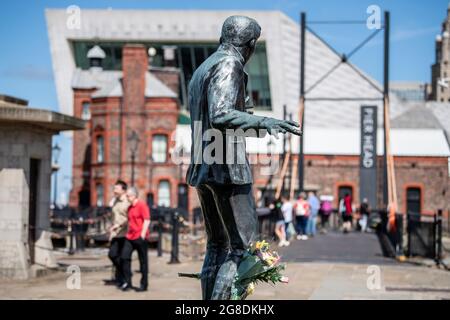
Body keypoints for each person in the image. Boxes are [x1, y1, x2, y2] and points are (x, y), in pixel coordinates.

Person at [185, 15, 301, 300]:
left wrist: (247, 117)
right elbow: (221, 114)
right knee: (242, 248)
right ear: (250, 44)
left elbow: (217, 115)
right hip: (227, 169)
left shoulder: (203, 68)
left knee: (216, 246)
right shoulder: (229, 64)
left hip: (203, 167)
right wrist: (265, 122)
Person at [120, 187, 151, 292]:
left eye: (128, 196)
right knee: (124, 258)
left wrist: (142, 234)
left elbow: (147, 220)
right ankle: (128, 282)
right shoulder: (129, 207)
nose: (126, 197)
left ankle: (144, 285)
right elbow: (129, 221)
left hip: (140, 237)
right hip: (130, 237)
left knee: (143, 262)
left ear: (133, 196)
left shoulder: (142, 205)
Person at [107, 180, 129, 287]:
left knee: (123, 257)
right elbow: (113, 216)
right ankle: (121, 275)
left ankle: (123, 278)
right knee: (112, 255)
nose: (114, 190)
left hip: (125, 233)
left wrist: (118, 225)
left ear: (123, 190)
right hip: (115, 234)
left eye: (116, 188)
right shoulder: (115, 201)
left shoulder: (128, 201)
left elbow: (129, 218)